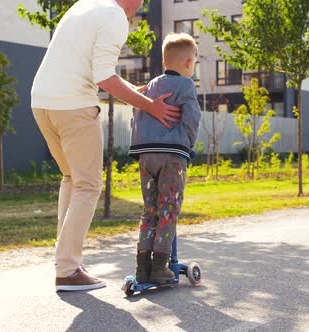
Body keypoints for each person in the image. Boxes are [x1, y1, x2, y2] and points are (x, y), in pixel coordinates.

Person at [31, 0, 181, 292]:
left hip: (42, 102)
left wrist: (136, 92)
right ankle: (67, 270)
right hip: (74, 106)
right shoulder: (114, 16)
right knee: (88, 185)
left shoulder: (85, 5)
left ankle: (66, 263)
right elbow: (103, 76)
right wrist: (149, 106)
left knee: (73, 179)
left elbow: (90, 68)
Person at [129, 33, 201, 284]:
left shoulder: (148, 87)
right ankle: (160, 267)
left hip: (146, 156)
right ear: (189, 62)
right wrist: (188, 145)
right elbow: (192, 118)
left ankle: (142, 266)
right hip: (172, 156)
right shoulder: (186, 85)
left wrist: (139, 149)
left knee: (150, 210)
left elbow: (135, 115)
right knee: (169, 209)